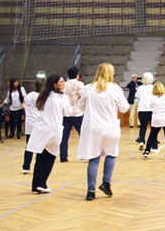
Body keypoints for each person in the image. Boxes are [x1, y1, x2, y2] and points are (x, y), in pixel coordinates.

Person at [77, 63, 130, 201]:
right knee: (111, 154)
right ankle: (106, 183)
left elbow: (81, 107)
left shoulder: (88, 88)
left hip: (93, 127)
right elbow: (124, 108)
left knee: (94, 159)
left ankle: (90, 190)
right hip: (110, 127)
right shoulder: (115, 89)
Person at [27, 74, 71, 193]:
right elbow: (68, 112)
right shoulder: (62, 98)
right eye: (61, 82)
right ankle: (42, 183)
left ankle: (35, 185)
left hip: (41, 129)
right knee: (50, 157)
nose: (64, 84)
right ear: (55, 84)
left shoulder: (43, 96)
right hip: (53, 130)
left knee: (40, 158)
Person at [59, 67, 84, 162]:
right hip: (77, 112)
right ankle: (83, 154)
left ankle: (63, 156)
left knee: (64, 136)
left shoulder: (64, 84)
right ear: (77, 74)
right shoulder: (79, 84)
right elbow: (82, 95)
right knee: (83, 134)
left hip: (66, 113)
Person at [143, 82, 165, 159]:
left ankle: (146, 151)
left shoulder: (152, 98)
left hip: (156, 118)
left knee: (152, 136)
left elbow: (150, 107)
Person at [22, 80, 43, 174]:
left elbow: (23, 106)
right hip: (39, 123)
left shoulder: (28, 96)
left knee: (29, 146)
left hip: (29, 123)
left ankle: (26, 167)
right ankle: (40, 167)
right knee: (41, 146)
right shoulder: (43, 96)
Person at [135, 72, 155, 152]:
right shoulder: (153, 87)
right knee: (153, 128)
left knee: (143, 127)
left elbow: (136, 98)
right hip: (151, 110)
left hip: (141, 109)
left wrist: (140, 103)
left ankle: (142, 141)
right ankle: (154, 145)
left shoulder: (140, 88)